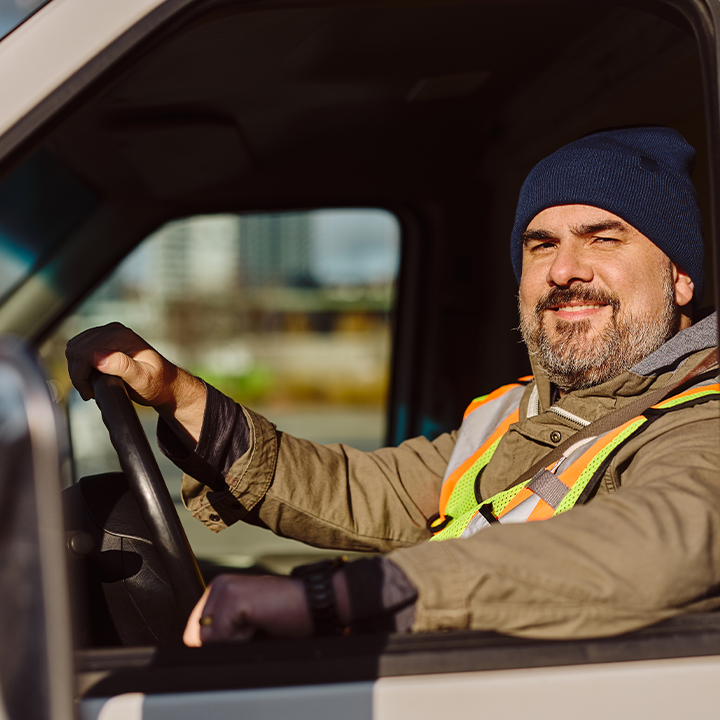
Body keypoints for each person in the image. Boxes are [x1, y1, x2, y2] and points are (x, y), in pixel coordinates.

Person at [66, 126, 720, 646]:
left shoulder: (702, 415)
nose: (563, 270)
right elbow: (359, 491)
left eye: (603, 238)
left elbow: (665, 543)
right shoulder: (518, 410)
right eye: (540, 245)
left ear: (680, 276)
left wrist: (334, 599)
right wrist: (177, 395)